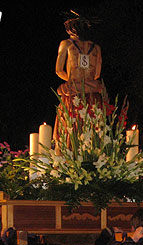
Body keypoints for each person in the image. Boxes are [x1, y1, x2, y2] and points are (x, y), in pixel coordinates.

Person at [54, 13, 104, 147]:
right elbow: (97, 73)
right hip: (93, 95)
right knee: (93, 131)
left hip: (73, 94)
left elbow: (59, 70)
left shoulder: (66, 44)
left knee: (69, 131)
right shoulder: (96, 48)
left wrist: (72, 80)